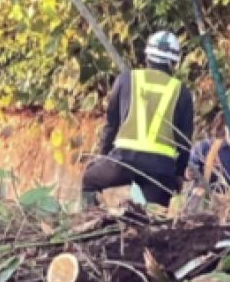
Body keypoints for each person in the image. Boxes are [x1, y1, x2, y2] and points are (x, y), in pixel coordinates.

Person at [81, 31, 195, 208]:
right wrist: (178, 176)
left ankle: (89, 223)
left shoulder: (126, 79)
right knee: (156, 216)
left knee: (89, 180)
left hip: (123, 160)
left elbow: (111, 125)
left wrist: (103, 156)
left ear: (147, 56)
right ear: (175, 62)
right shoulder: (182, 92)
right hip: (160, 169)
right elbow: (184, 141)